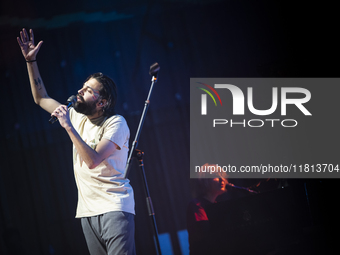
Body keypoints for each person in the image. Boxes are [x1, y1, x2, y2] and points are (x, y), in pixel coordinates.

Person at [17, 28, 135, 255]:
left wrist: (68, 127)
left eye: (89, 90)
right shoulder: (77, 116)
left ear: (102, 102)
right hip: (87, 211)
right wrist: (31, 61)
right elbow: (40, 97)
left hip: (114, 208)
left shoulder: (116, 123)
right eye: (83, 86)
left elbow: (92, 161)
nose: (80, 91)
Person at [186, 163, 229, 255]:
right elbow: (206, 233)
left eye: (223, 176)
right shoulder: (196, 205)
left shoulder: (216, 205)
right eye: (216, 176)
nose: (222, 180)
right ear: (206, 181)